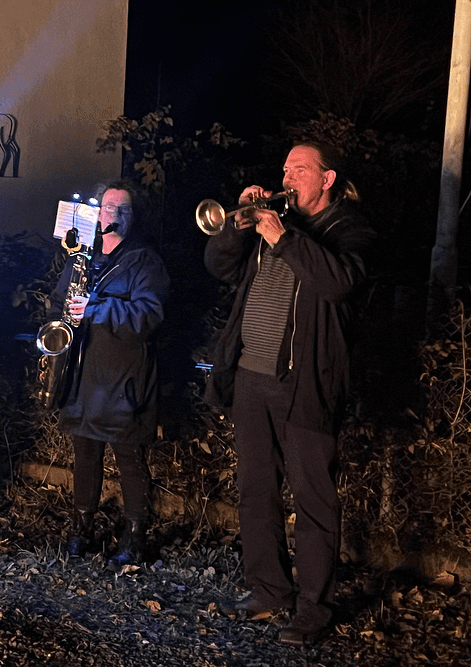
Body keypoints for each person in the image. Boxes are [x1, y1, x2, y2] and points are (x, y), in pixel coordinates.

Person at [204, 142, 374, 647]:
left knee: (314, 500)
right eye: (285, 169)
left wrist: (283, 237)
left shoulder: (350, 230)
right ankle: (268, 590)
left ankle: (313, 609)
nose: (287, 177)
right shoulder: (272, 224)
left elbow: (338, 283)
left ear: (327, 179)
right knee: (256, 490)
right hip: (251, 377)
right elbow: (219, 267)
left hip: (306, 383)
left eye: (299, 169)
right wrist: (238, 226)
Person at [52, 181, 169, 570]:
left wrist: (96, 309)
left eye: (122, 209)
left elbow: (149, 315)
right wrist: (59, 321)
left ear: (133, 217)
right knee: (84, 455)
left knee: (129, 460)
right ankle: (80, 529)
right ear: (97, 212)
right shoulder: (82, 257)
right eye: (107, 207)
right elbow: (58, 302)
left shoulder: (145, 261)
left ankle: (134, 538)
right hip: (81, 373)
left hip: (123, 378)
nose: (113, 215)